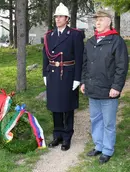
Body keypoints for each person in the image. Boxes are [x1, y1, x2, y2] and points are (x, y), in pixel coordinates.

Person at [80, 9, 129, 164]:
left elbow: (122, 67)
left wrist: (116, 87)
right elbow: (85, 64)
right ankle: (99, 145)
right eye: (96, 20)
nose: (97, 23)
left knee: (108, 122)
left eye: (101, 19)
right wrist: (83, 82)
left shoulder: (117, 41)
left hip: (109, 90)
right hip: (93, 88)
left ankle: (107, 149)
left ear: (109, 21)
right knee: (95, 119)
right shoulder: (91, 42)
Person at [42, 3, 84, 151]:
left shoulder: (74, 34)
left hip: (68, 74)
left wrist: (77, 78)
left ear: (67, 19)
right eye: (56, 16)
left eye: (60, 16)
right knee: (55, 107)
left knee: (67, 107)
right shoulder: (49, 35)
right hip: (53, 74)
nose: (57, 19)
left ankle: (67, 137)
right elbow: (45, 56)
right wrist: (44, 73)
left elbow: (79, 57)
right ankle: (57, 135)